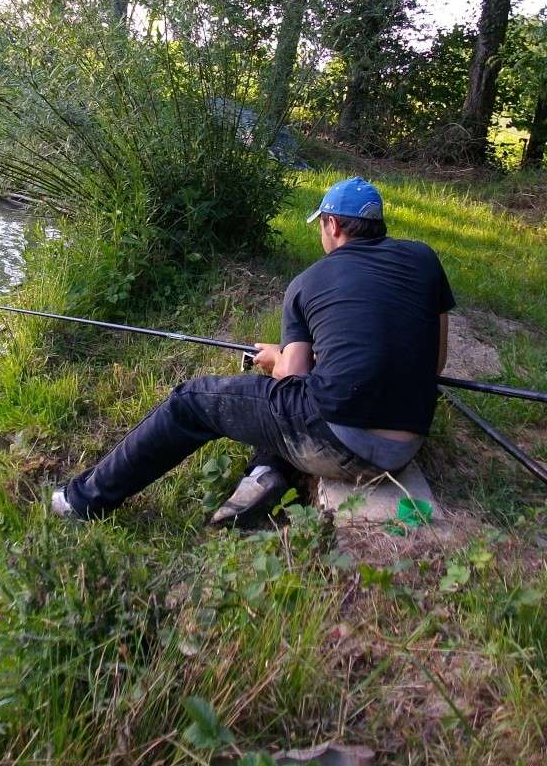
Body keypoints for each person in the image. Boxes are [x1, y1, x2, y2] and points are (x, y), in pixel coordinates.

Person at [52, 176, 455, 525]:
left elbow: (294, 380)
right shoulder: (424, 260)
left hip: (339, 445)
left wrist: (275, 359)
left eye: (321, 226)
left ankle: (82, 500)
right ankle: (264, 474)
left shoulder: (308, 281)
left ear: (332, 224)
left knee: (192, 401)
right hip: (406, 445)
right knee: (281, 400)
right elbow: (436, 363)